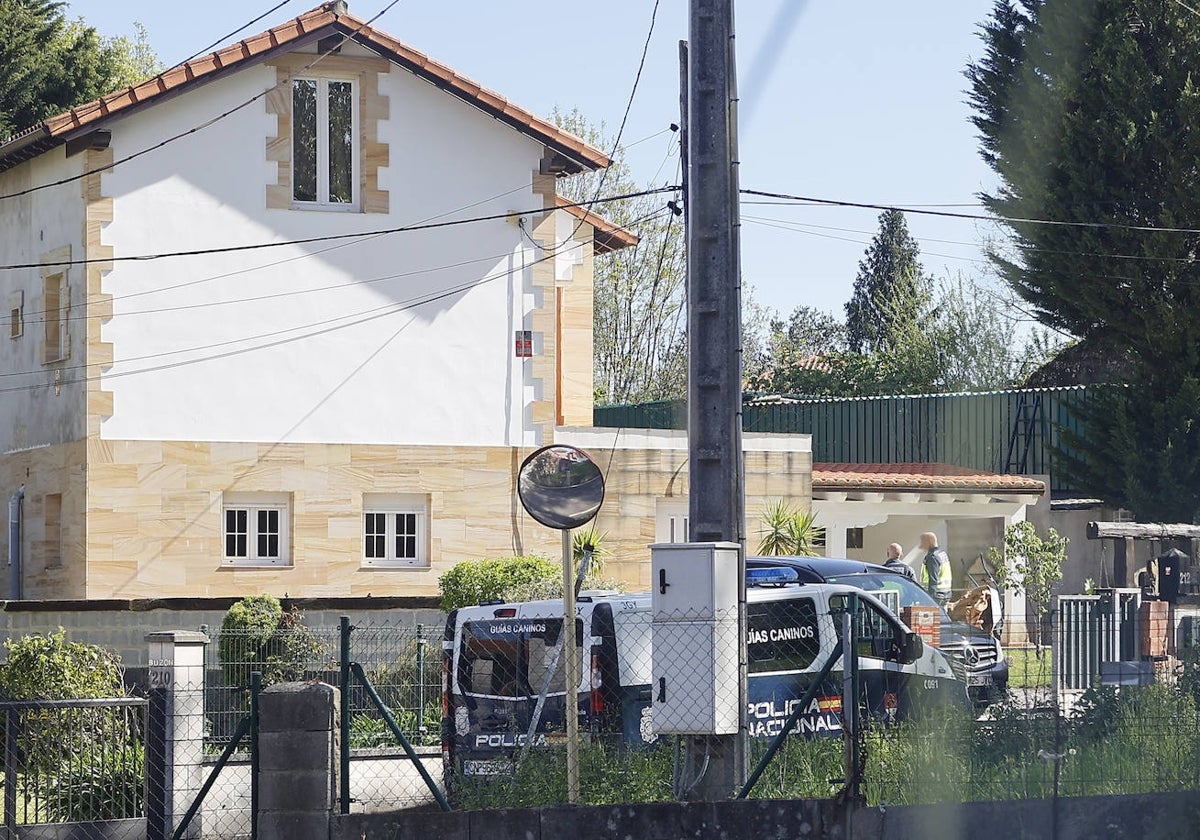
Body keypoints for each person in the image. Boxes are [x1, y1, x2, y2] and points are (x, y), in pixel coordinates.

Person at [919, 532, 953, 605]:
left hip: (936, 596)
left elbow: (933, 580)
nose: (921, 545)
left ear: (930, 541)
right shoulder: (942, 554)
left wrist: (930, 599)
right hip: (945, 594)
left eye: (923, 541)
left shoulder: (932, 557)